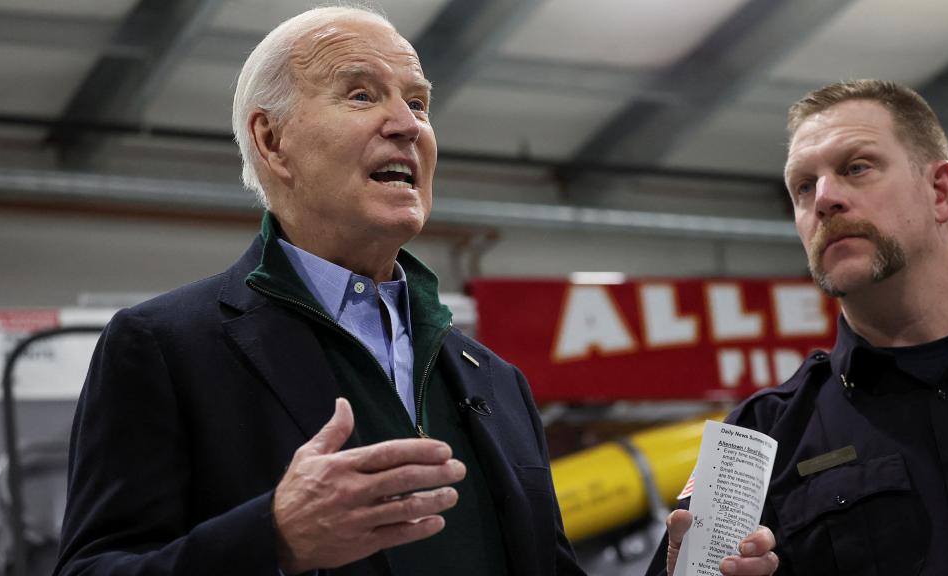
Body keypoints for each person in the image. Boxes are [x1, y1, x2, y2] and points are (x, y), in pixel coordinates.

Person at [53, 7, 584, 576]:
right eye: (360, 95)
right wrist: (273, 541)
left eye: (418, 103)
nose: (407, 125)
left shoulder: (497, 380)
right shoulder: (165, 347)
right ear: (272, 140)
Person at [649, 79, 948, 575]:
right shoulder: (758, 439)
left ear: (940, 191)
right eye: (803, 186)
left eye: (856, 168)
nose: (823, 199)